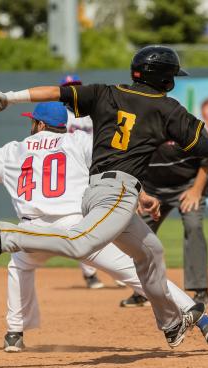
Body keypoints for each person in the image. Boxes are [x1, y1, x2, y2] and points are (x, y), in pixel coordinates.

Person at [0, 45, 208, 349]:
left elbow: (57, 93)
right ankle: (4, 238)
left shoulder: (106, 93)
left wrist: (10, 97)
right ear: (164, 79)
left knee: (151, 254)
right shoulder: (166, 108)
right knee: (80, 243)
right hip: (118, 194)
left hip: (98, 191)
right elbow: (204, 148)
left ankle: (172, 324)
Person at [119, 100, 208, 308]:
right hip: (153, 188)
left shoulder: (189, 126)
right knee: (139, 232)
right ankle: (142, 291)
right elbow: (131, 165)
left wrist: (195, 191)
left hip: (188, 185)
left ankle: (200, 290)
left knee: (193, 225)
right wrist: (141, 193)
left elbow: (207, 159)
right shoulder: (140, 129)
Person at [60, 74, 125, 290]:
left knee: (108, 220)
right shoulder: (60, 116)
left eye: (75, 86)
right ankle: (90, 274)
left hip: (95, 171)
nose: (73, 90)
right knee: (82, 222)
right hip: (73, 175)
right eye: (68, 87)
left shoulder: (90, 115)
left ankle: (118, 270)